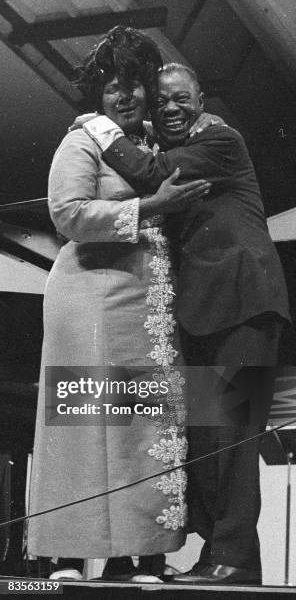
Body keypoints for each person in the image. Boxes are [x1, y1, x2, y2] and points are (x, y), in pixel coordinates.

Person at [78, 62, 291, 585]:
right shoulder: (187, 139)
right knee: (211, 439)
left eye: (182, 99)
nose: (171, 108)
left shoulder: (220, 139)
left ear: (201, 99)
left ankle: (236, 559)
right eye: (162, 102)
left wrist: (100, 128)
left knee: (234, 437)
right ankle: (225, 558)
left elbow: (153, 175)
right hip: (209, 312)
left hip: (245, 304)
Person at [27, 30, 211, 583]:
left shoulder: (156, 142)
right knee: (83, 421)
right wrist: (150, 207)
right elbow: (68, 214)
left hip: (146, 304)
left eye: (133, 85)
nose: (124, 97)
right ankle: (63, 554)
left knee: (143, 425)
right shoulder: (81, 142)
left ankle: (141, 554)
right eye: (112, 88)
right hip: (90, 295)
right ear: (97, 95)